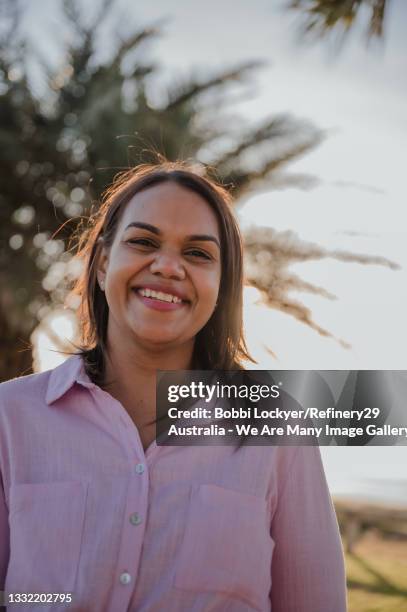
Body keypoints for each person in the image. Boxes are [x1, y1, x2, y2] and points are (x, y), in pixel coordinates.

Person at [0, 161, 347, 611]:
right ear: (103, 263)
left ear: (223, 286)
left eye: (198, 253)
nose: (166, 266)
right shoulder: (9, 418)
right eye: (143, 242)